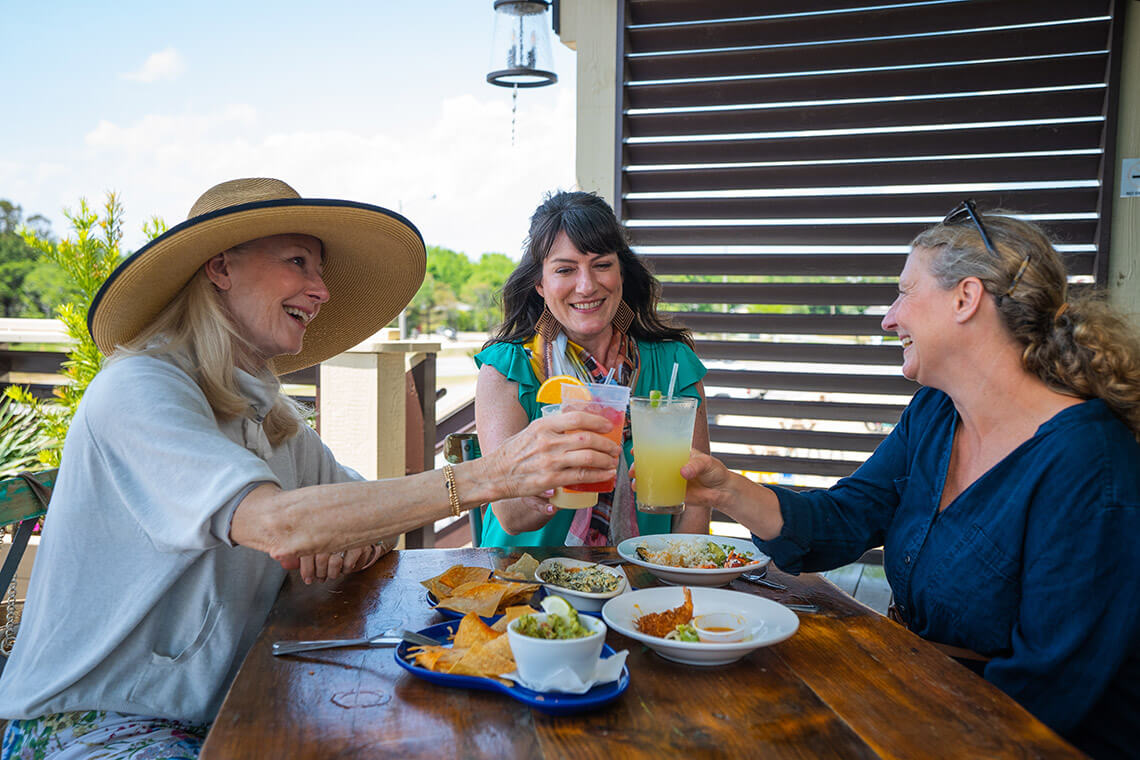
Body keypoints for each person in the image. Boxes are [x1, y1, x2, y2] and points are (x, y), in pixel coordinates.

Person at [0, 178, 620, 760]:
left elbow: (364, 512)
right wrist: (489, 476)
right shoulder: (139, 388)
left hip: (224, 705)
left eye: (318, 270)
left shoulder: (265, 408)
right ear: (221, 267)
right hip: (89, 722)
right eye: (299, 262)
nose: (321, 290)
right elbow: (277, 525)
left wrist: (341, 535)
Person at [672, 202, 1140, 759]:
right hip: (927, 696)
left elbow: (1046, 691)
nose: (889, 317)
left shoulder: (1090, 464)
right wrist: (726, 490)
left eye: (904, 292)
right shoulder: (936, 415)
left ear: (965, 299)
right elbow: (850, 517)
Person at [475, 190, 711, 548]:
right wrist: (579, 452)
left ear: (621, 274)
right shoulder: (507, 369)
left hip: (643, 585)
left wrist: (671, 586)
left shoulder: (674, 363)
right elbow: (510, 515)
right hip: (526, 584)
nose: (586, 286)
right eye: (565, 270)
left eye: (602, 265)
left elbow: (695, 504)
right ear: (540, 283)